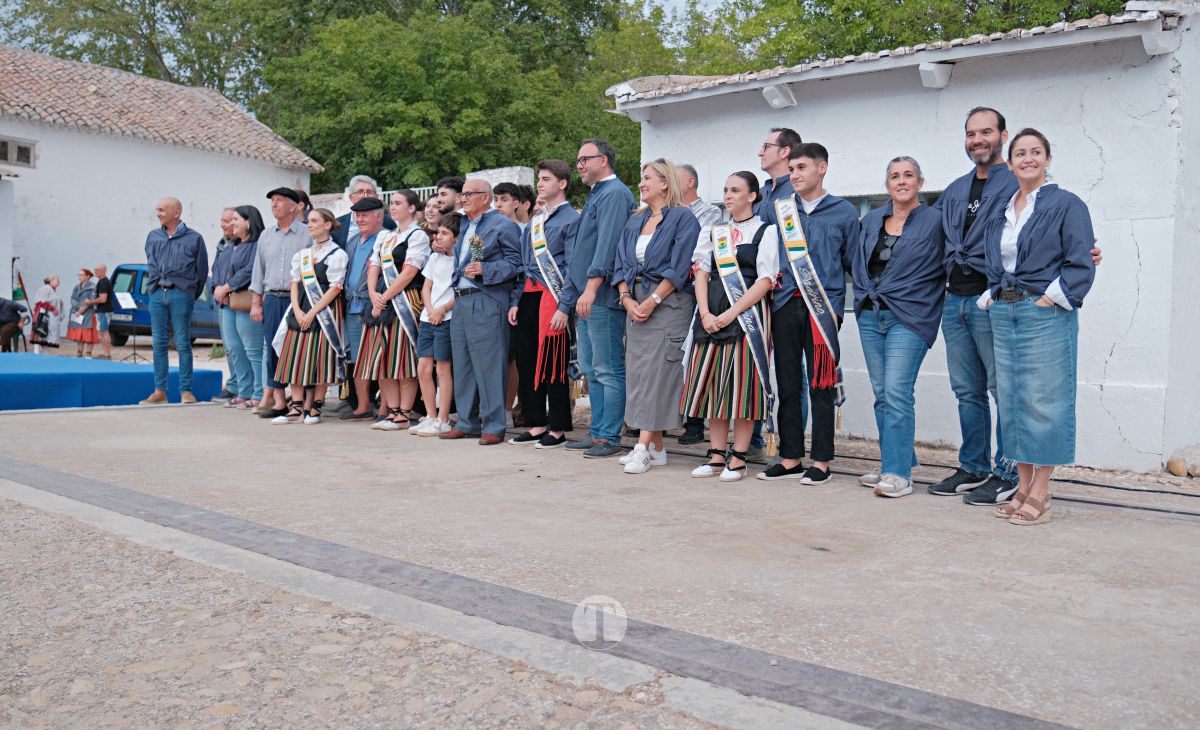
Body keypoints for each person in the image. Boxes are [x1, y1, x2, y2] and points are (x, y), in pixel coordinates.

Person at [979, 128, 1096, 526]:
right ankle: (1023, 485)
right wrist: (993, 293)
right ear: (1010, 163)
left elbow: (1080, 258)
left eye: (1036, 152)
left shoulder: (1066, 204)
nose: (1028, 159)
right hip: (1005, 311)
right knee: (1013, 400)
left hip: (1044, 313)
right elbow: (991, 256)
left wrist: (1052, 297)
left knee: (1045, 400)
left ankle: (1042, 492)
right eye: (1020, 153)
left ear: (1047, 159)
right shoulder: (1002, 208)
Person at [758, 143, 859, 482]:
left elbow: (852, 262)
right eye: (792, 169)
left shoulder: (843, 212)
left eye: (802, 167)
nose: (795, 175)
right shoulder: (779, 210)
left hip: (823, 307)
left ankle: (822, 461)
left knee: (821, 382)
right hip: (785, 302)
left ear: (822, 168)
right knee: (787, 381)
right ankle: (790, 457)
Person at [852, 157, 947, 497]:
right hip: (871, 314)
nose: (902, 181)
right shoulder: (872, 219)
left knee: (896, 391)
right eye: (895, 176)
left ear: (920, 182)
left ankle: (898, 474)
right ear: (887, 184)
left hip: (910, 317)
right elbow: (855, 261)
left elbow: (955, 256)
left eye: (909, 175)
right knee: (883, 393)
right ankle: (895, 461)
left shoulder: (936, 220)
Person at [681, 172, 779, 481]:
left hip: (747, 316)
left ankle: (738, 458)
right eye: (726, 190)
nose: (728, 195)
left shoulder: (766, 231)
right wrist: (705, 313)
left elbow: (766, 279)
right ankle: (715, 456)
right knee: (713, 384)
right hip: (711, 313)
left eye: (736, 190)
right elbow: (701, 273)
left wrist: (732, 313)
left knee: (742, 387)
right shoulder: (714, 232)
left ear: (752, 196)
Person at [613, 159, 701, 474]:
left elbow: (680, 266)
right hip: (636, 303)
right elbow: (620, 263)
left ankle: (641, 446)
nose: (641, 183)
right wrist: (626, 298)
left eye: (647, 177)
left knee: (658, 374)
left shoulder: (683, 218)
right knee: (639, 375)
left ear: (665, 183)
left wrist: (653, 300)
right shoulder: (635, 220)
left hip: (669, 306)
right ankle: (657, 449)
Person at [560, 139, 636, 458]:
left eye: (585, 159)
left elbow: (607, 244)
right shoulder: (597, 193)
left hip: (602, 295)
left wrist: (591, 288)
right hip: (586, 297)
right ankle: (597, 431)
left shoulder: (615, 193)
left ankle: (609, 437)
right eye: (578, 160)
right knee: (591, 368)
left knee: (607, 368)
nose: (579, 165)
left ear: (603, 160)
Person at [439, 179, 523, 444]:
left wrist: (487, 270)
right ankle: (467, 422)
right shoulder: (465, 224)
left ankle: (494, 425)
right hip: (461, 300)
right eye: (463, 194)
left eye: (469, 194)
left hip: (487, 298)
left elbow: (517, 263)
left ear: (485, 198)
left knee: (489, 365)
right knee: (463, 365)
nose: (463, 198)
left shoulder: (503, 224)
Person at [507, 160, 581, 448]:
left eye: (546, 179)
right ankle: (536, 424)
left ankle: (558, 428)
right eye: (539, 179)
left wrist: (565, 306)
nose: (540, 183)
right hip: (529, 296)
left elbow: (573, 267)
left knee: (553, 364)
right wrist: (516, 300)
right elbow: (524, 266)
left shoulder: (571, 220)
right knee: (526, 363)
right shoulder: (535, 222)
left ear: (562, 184)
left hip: (553, 296)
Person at [357, 189, 431, 431]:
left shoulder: (418, 236)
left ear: (412, 208)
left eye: (398, 203)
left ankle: (403, 413)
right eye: (392, 203)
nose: (393, 207)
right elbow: (374, 266)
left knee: (403, 358)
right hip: (380, 299)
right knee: (382, 358)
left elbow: (410, 272)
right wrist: (373, 294)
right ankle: (392, 410)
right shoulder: (385, 236)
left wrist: (384, 298)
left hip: (405, 300)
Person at [272, 208, 350, 424]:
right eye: (309, 221)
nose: (310, 225)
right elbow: (294, 283)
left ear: (328, 224)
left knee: (320, 357)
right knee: (295, 355)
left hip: (324, 310)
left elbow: (335, 287)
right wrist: (297, 310)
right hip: (301, 307)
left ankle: (315, 406)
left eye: (315, 221)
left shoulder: (337, 254)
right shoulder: (303, 255)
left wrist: (313, 312)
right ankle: (296, 406)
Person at [250, 187, 312, 417]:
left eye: (279, 200)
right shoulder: (266, 235)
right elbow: (258, 271)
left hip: (300, 299)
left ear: (293, 206)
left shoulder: (307, 233)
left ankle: (303, 402)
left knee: (300, 348)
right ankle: (278, 401)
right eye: (272, 201)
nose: (274, 204)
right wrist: (256, 303)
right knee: (272, 349)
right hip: (273, 298)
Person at [140, 197, 208, 404]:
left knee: (182, 342)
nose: (158, 213)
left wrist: (188, 293)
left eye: (162, 210)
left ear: (176, 213)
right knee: (158, 343)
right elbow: (150, 262)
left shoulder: (194, 238)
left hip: (181, 294)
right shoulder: (153, 236)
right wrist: (153, 289)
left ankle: (186, 391)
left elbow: (202, 271)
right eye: (157, 209)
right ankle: (159, 391)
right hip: (157, 294)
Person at [676, 163, 725, 446]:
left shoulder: (710, 213)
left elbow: (698, 251)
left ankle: (694, 423)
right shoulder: (665, 212)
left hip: (696, 289)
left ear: (691, 182)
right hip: (671, 289)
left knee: (694, 355)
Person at [338, 196, 390, 421]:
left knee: (381, 358)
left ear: (379, 216)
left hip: (375, 305)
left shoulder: (387, 238)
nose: (359, 219)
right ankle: (363, 405)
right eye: (357, 215)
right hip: (352, 307)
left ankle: (386, 407)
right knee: (356, 358)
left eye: (364, 215)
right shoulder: (352, 241)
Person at [212, 205, 266, 409]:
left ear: (248, 222)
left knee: (252, 349)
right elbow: (217, 269)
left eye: (236, 219)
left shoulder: (257, 245)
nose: (231, 223)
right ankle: (244, 391)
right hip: (227, 303)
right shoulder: (229, 246)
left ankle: (259, 393)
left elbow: (250, 270)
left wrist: (227, 287)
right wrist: (218, 288)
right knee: (234, 348)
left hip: (245, 302)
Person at [413, 212, 460, 437]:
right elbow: (426, 287)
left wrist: (442, 309)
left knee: (442, 368)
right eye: (438, 232)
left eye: (444, 233)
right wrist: (431, 309)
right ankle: (430, 415)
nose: (438, 237)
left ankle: (444, 418)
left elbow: (460, 291)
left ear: (457, 238)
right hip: (428, 317)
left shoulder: (460, 260)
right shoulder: (434, 258)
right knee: (423, 368)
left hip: (446, 319)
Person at [331, 175, 396, 249]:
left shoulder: (388, 223)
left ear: (376, 197)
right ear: (351, 197)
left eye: (369, 192)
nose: (365, 196)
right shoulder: (338, 224)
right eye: (360, 191)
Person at [66, 268, 98, 357]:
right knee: (79, 332)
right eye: (79, 275)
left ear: (87, 276)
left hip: (88, 313)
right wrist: (78, 308)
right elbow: (72, 299)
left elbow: (92, 299)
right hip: (77, 312)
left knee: (88, 333)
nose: (79, 277)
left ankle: (88, 353)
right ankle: (79, 351)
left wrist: (83, 309)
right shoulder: (76, 287)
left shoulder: (93, 287)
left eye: (81, 275)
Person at [31, 276, 62, 350]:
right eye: (56, 279)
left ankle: (45, 350)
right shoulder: (46, 288)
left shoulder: (54, 291)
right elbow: (40, 302)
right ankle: (36, 350)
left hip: (51, 315)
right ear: (51, 281)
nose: (58, 281)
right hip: (43, 313)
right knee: (41, 331)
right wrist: (53, 309)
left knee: (47, 333)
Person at [92, 264, 114, 359]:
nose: (95, 272)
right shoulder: (102, 281)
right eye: (95, 270)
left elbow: (103, 299)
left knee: (104, 332)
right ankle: (105, 353)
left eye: (97, 270)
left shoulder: (103, 282)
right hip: (102, 310)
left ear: (103, 271)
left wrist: (90, 302)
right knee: (102, 332)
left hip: (104, 311)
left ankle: (107, 354)